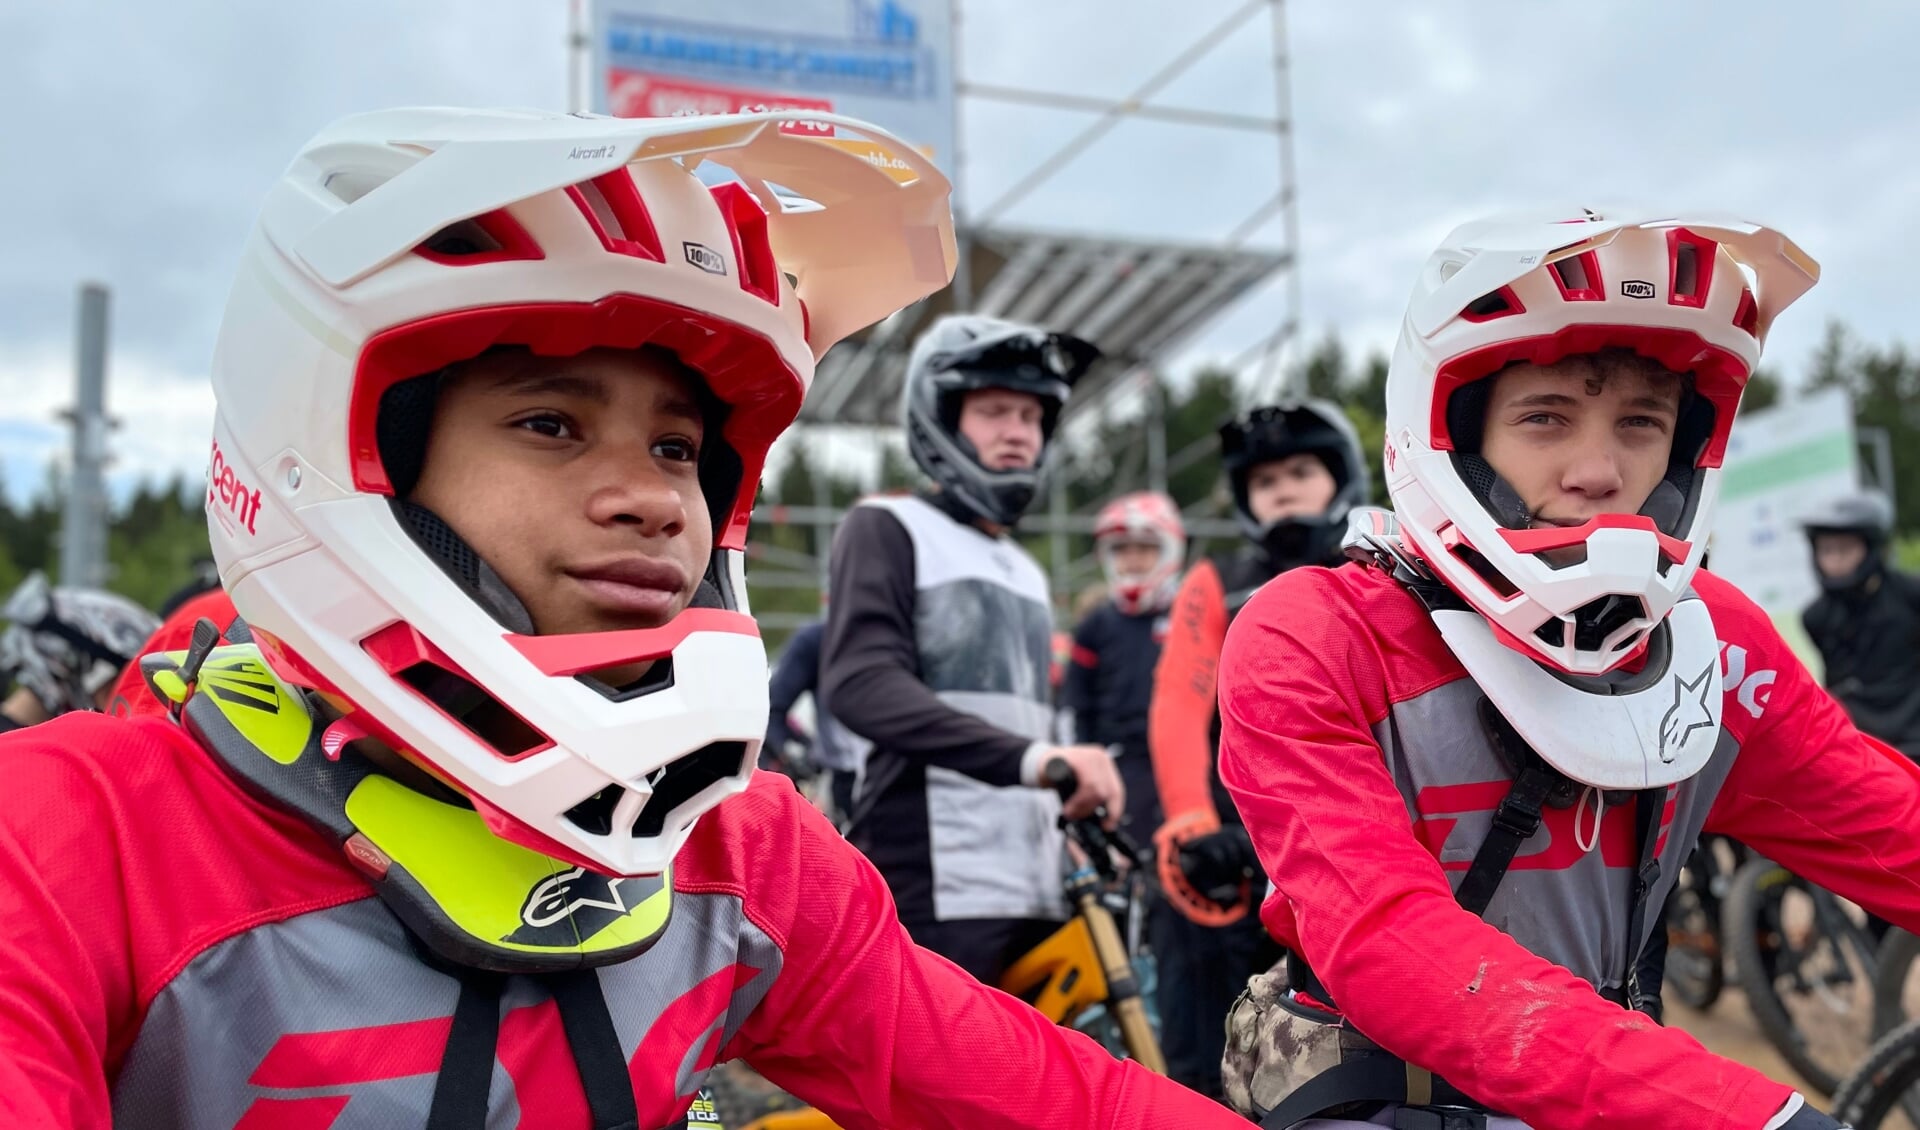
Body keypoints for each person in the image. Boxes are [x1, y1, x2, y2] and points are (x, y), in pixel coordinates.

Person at [0, 107, 1237, 1129]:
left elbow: (1058, 1096)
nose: (656, 499)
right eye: (550, 422)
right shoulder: (66, 831)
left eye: (681, 445)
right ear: (347, 448)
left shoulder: (739, 851)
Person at [1216, 209, 1918, 1130]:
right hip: (1389, 1093)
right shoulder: (1314, 630)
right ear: (1453, 433)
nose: (1600, 469)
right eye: (1546, 416)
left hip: (1612, 1087)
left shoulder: (1718, 637)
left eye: (1643, 421)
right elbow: (1387, 940)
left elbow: (1891, 831)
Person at [820, 313, 1126, 986]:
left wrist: (1066, 810)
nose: (1018, 430)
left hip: (1033, 878)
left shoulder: (1027, 570)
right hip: (933, 881)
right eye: (993, 411)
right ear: (942, 418)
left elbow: (1031, 721)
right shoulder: (888, 526)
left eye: (1031, 414)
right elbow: (861, 682)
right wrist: (1037, 761)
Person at [1144, 400, 1367, 1097]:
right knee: (1202, 1061)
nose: (1284, 488)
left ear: (1341, 479)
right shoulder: (1214, 578)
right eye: (1265, 481)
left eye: (1302, 471)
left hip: (1356, 858)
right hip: (1234, 855)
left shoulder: (1383, 571)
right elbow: (1178, 703)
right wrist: (1190, 822)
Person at [1062, 491, 1186, 839]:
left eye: (1144, 549)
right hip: (1116, 768)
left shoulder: (1191, 618)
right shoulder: (1095, 625)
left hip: (1183, 765)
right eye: (1122, 550)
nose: (1132, 560)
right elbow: (1073, 706)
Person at [1800, 488, 1920, 760]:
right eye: (1826, 549)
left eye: (1846, 548)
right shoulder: (1816, 618)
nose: (1835, 559)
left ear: (1872, 547)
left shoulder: (1911, 596)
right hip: (1865, 751)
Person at [0, 570, 158, 731]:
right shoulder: (30, 753)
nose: (130, 699)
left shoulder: (18, 744)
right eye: (118, 681)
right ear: (69, 664)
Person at [763, 616, 859, 818]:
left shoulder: (913, 634)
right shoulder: (818, 640)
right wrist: (794, 755)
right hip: (844, 779)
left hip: (907, 778)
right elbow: (770, 710)